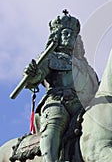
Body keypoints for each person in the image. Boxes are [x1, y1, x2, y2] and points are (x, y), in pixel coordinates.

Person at [24, 10, 84, 161]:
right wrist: (32, 73)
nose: (70, 37)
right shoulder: (49, 58)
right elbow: (37, 77)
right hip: (57, 102)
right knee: (54, 125)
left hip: (81, 105)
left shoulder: (84, 66)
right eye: (65, 34)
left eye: (73, 35)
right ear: (57, 36)